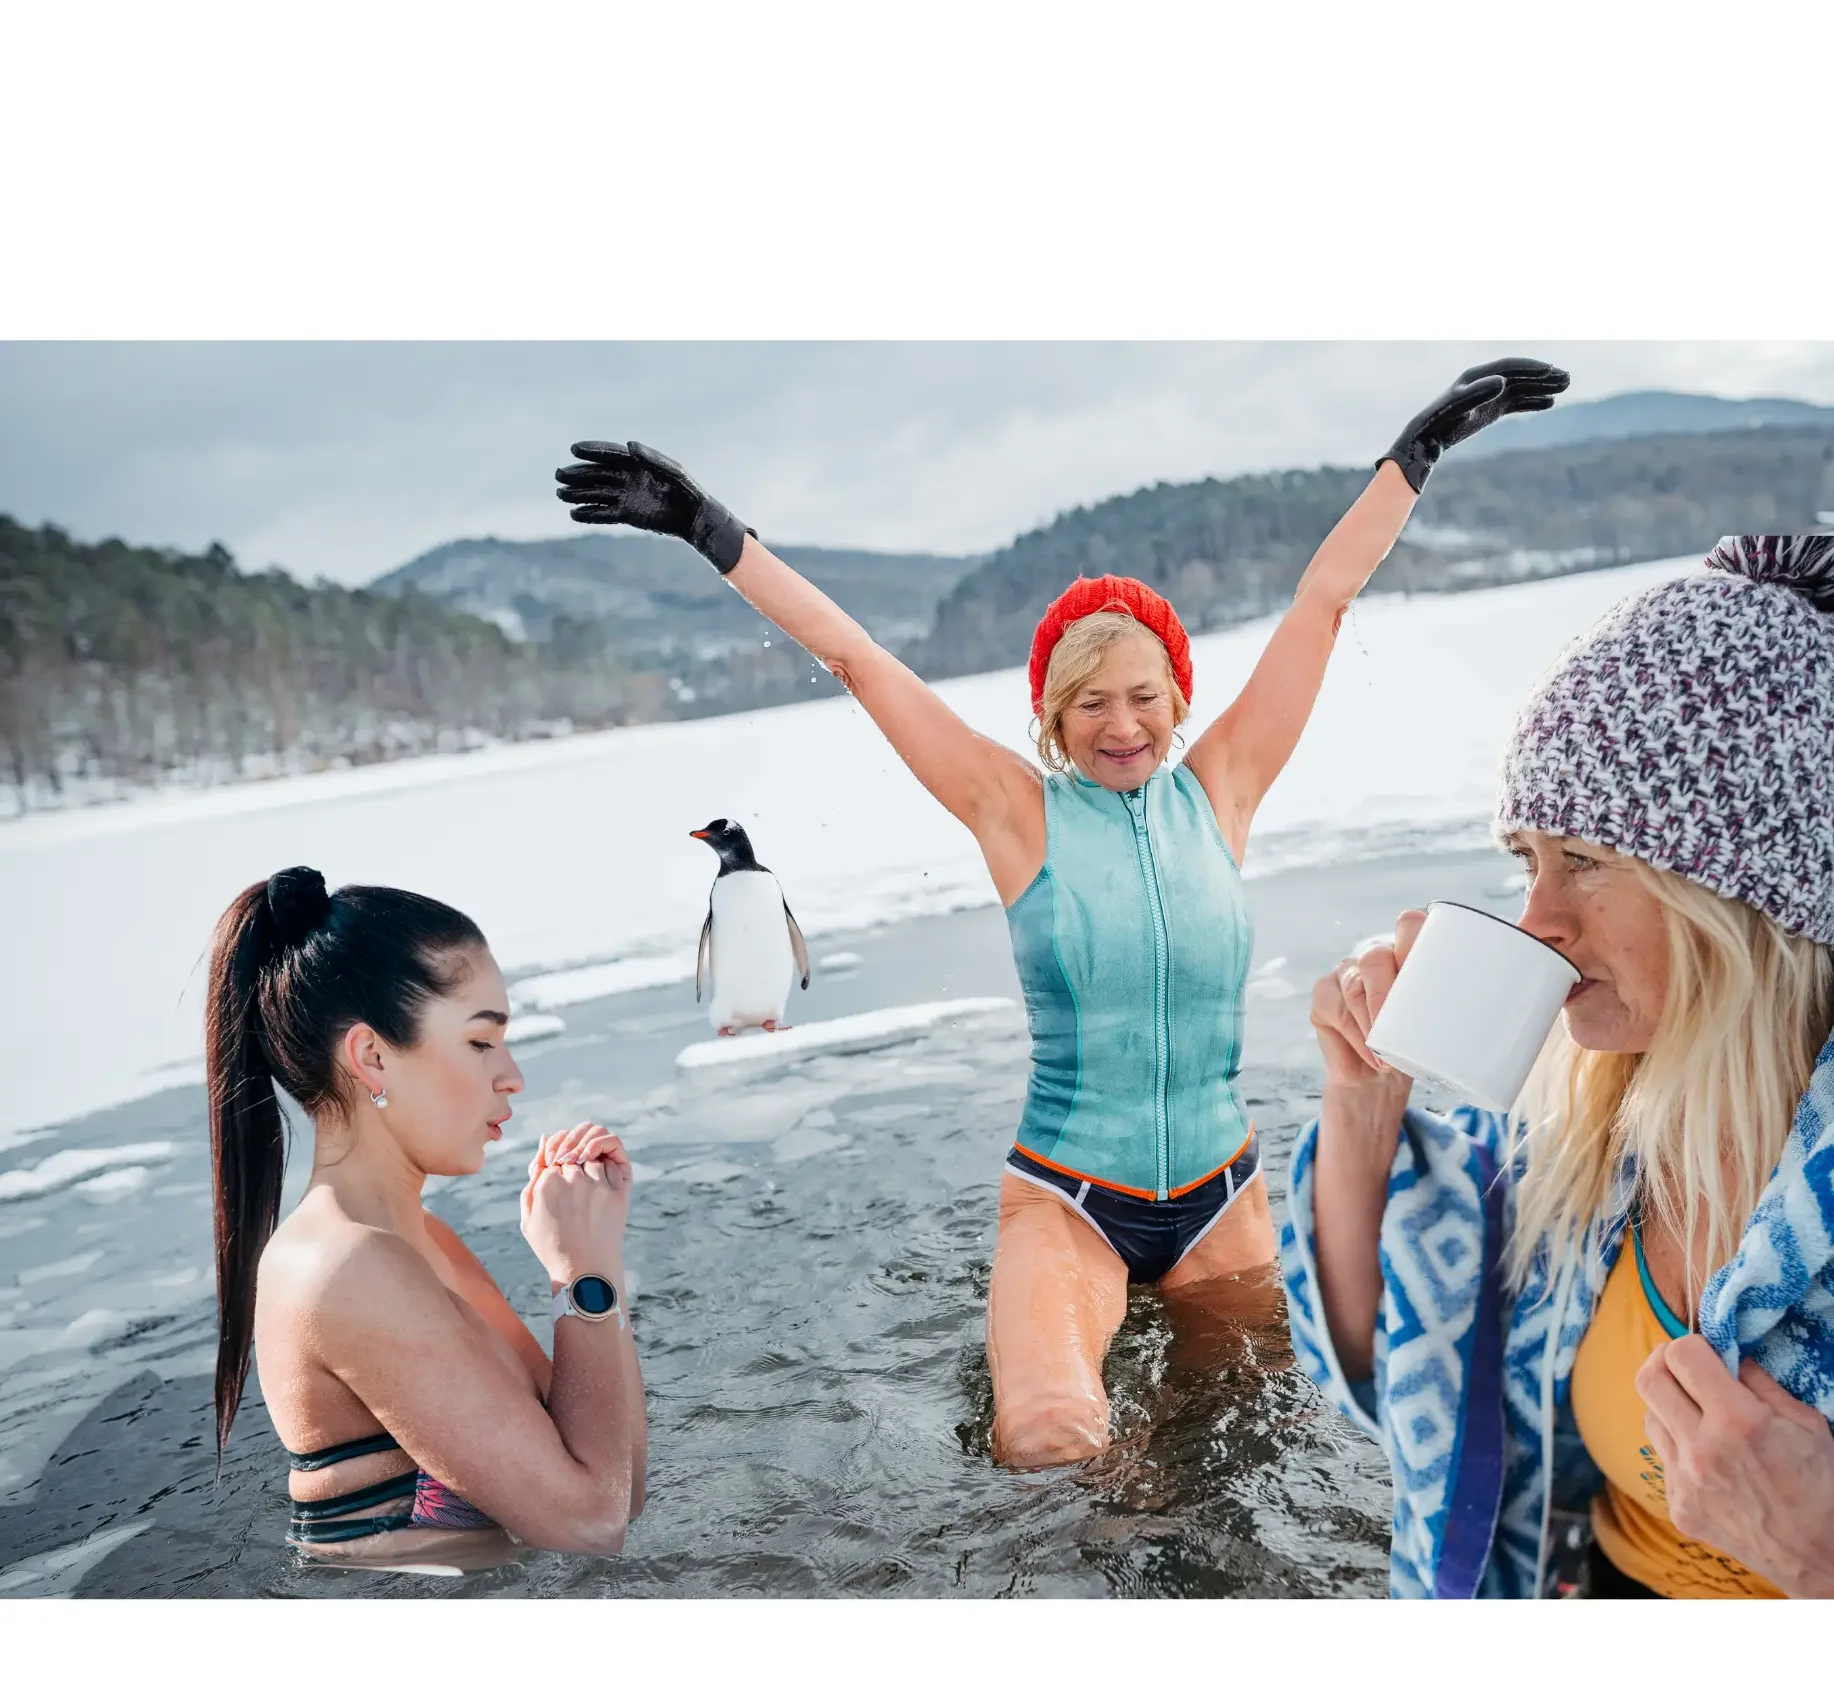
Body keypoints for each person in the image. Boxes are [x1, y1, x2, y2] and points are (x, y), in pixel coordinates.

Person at [555, 359, 1568, 1468]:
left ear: (1178, 700)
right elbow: (857, 659)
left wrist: (1409, 461)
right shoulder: (1012, 812)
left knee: (1250, 1431)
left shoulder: (1221, 787)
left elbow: (1321, 601)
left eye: (1141, 696)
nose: (1120, 723)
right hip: (1068, 1202)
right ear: (1053, 717)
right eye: (1089, 702)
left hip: (1222, 1194)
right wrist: (710, 528)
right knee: (1047, 1437)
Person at [1283, 533, 1834, 1598]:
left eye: (1583, 861)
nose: (1536, 919)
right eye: (1526, 860)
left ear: (1733, 891)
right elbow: (1389, 1356)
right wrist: (1361, 1097)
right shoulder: (1598, 1135)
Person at [206, 867, 648, 1566]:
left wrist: (596, 1262)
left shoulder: (419, 1239)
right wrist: (581, 1272)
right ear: (373, 1057)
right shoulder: (343, 1266)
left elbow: (618, 1490)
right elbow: (591, 1526)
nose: (512, 1076)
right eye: (480, 1041)